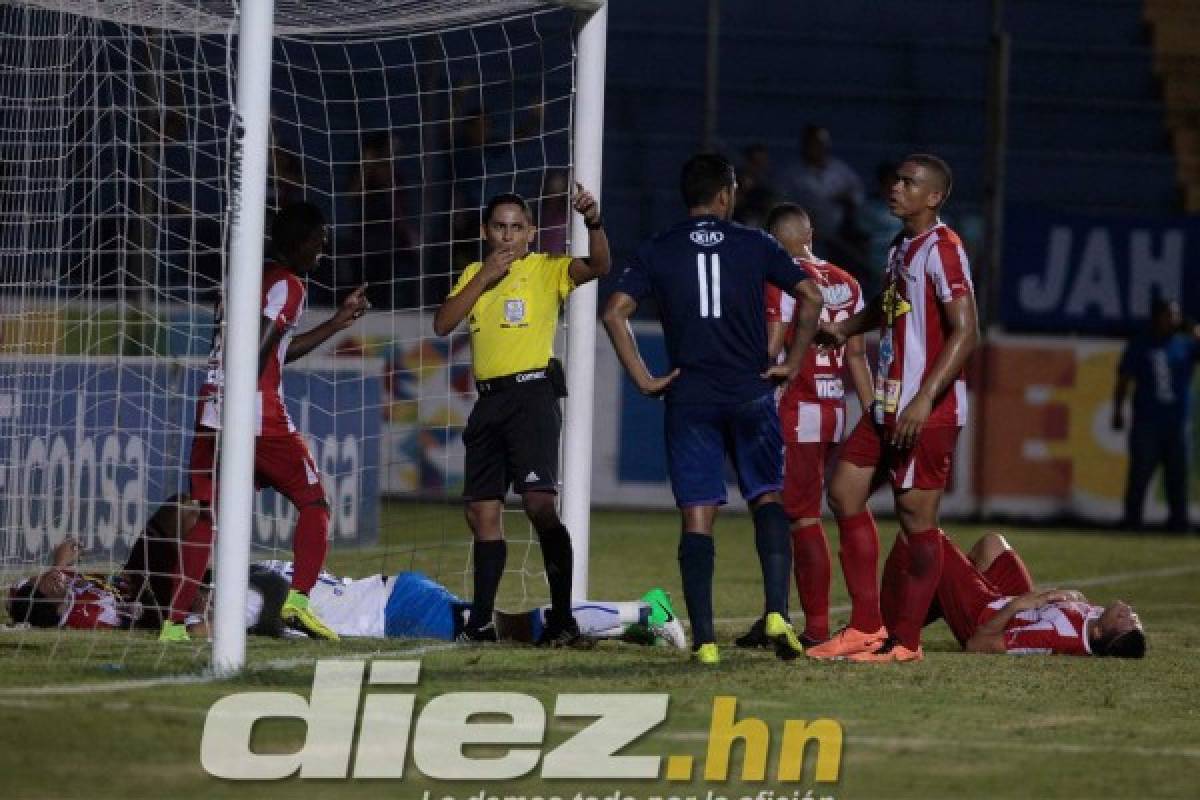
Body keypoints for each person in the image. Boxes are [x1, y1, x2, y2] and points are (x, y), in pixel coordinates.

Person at [601, 153, 824, 665]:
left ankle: (704, 641)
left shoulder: (658, 248)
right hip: (750, 391)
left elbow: (615, 311)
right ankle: (775, 612)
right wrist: (792, 362)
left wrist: (642, 377)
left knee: (697, 516)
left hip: (691, 396)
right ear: (725, 196)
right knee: (768, 498)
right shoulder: (756, 242)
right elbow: (810, 296)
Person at [162, 202, 371, 643]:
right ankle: (296, 604)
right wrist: (243, 402)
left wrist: (336, 323)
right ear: (298, 243)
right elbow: (257, 352)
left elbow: (278, 350)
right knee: (315, 502)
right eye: (319, 244)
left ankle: (173, 624)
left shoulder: (242, 280)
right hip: (256, 416)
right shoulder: (289, 285)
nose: (322, 254)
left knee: (207, 517)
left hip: (211, 410)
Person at [807, 153, 979, 663]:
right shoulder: (902, 245)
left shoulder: (945, 250)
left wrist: (925, 399)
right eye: (896, 180)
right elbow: (890, 303)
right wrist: (844, 328)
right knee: (843, 491)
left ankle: (906, 642)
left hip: (925, 410)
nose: (896, 188)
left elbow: (967, 331)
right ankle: (864, 628)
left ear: (934, 196)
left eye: (909, 182)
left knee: (915, 520)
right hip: (887, 403)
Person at [432, 184, 609, 646]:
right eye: (499, 227)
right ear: (485, 232)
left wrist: (593, 223)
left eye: (516, 228)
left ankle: (564, 620)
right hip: (488, 402)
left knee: (537, 505)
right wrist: (484, 277)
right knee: (481, 513)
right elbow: (443, 323)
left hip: (532, 397)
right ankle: (482, 623)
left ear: (531, 233)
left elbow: (600, 266)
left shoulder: (547, 269)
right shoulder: (474, 272)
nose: (508, 237)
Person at [735, 204, 873, 650]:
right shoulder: (848, 282)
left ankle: (813, 628)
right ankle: (776, 613)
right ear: (810, 232)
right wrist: (871, 416)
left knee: (799, 517)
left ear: (773, 241)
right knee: (797, 511)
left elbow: (773, 346)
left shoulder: (779, 277)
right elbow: (856, 356)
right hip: (834, 408)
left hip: (794, 409)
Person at [245, 560, 687, 649]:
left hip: (397, 610)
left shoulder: (243, 586)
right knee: (523, 634)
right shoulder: (255, 568)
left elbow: (268, 610)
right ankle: (633, 629)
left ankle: (647, 610)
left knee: (517, 629)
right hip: (396, 598)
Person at [880, 531, 1146, 658]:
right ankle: (945, 597)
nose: (1130, 615)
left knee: (920, 534)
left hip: (987, 617)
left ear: (1100, 634)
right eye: (1136, 620)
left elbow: (978, 644)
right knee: (992, 544)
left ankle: (883, 626)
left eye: (1125, 623)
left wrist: (1019, 604)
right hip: (1015, 603)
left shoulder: (1053, 636)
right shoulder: (1096, 622)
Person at [1113, 297, 1199, 533]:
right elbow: (1124, 379)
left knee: (1177, 477)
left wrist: (1195, 331)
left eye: (1177, 315)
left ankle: (1178, 522)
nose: (1174, 319)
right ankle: (1132, 520)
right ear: (1157, 317)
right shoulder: (1141, 344)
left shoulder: (1185, 345)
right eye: (1169, 314)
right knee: (1140, 474)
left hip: (1177, 423)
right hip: (1147, 422)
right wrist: (1118, 410)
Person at [779, 125, 866, 272]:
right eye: (812, 143)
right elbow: (780, 202)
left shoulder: (840, 170)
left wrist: (846, 199)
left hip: (838, 238)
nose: (816, 148)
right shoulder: (791, 174)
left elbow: (858, 196)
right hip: (804, 237)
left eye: (820, 143)